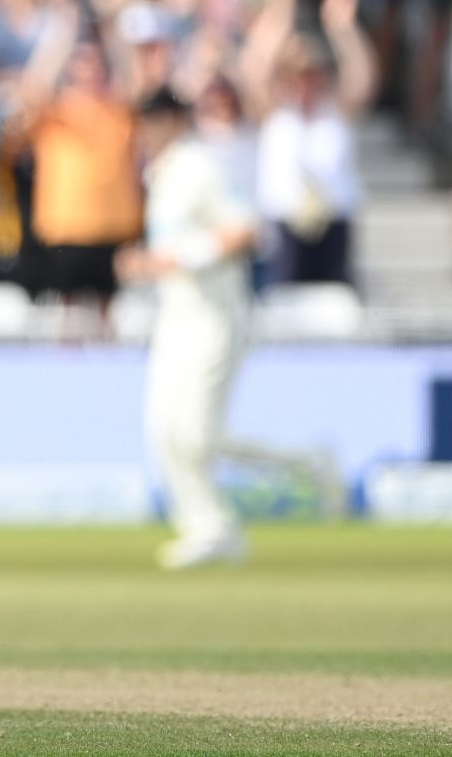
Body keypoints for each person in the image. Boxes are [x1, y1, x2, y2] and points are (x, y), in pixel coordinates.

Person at [116, 91, 337, 571]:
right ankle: (207, 526)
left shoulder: (198, 166)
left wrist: (175, 259)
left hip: (216, 319)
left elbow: (244, 230)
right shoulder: (162, 174)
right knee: (163, 431)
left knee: (197, 435)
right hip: (174, 318)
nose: (146, 131)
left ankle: (305, 466)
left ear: (175, 121)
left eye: (154, 121)